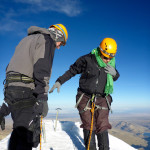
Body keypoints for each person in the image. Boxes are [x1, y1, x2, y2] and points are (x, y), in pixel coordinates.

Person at [0, 24, 68, 150]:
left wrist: (6, 102)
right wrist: (42, 98)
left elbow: (10, 67)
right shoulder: (47, 40)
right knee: (26, 134)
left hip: (10, 88)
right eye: (61, 43)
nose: (58, 47)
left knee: (18, 131)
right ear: (58, 35)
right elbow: (42, 70)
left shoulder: (24, 41)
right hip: (26, 91)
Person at [50, 38, 120, 150]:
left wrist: (115, 74)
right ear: (100, 51)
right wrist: (60, 81)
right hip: (85, 97)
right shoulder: (87, 59)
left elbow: (115, 77)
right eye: (106, 57)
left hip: (102, 98)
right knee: (89, 126)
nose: (108, 60)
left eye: (111, 57)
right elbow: (72, 71)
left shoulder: (111, 63)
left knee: (102, 126)